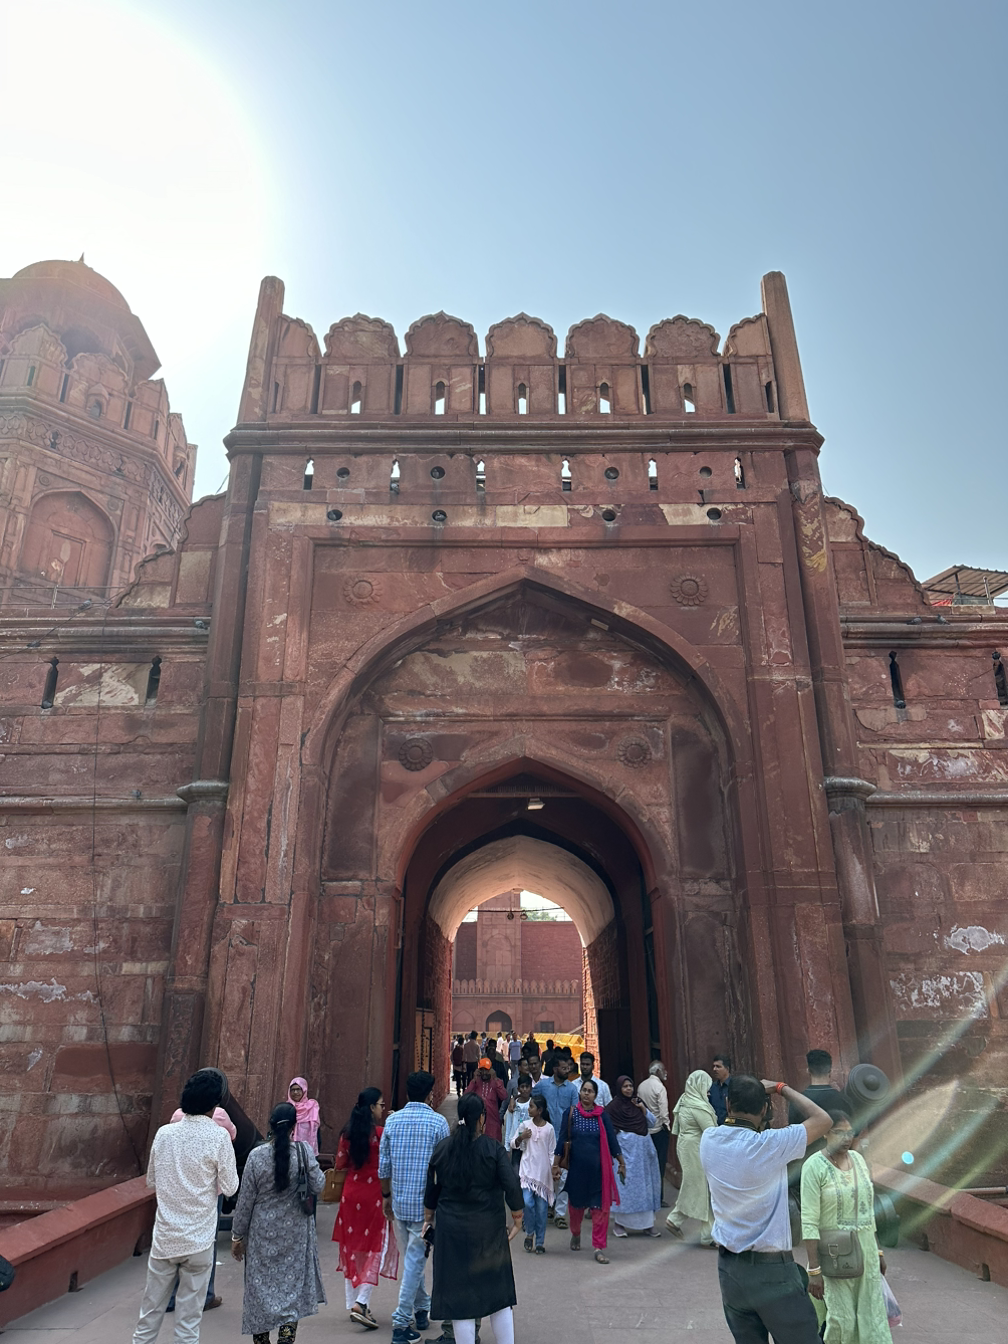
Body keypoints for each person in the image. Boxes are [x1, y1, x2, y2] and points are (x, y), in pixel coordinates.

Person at [700, 1074, 832, 1344]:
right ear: (764, 1109)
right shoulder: (770, 1145)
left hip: (730, 1271)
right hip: (772, 1272)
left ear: (728, 1103)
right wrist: (782, 1088)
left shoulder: (709, 1139)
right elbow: (823, 1120)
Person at [133, 1071, 239, 1344]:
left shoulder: (164, 1134)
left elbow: (152, 1179)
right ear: (214, 1104)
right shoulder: (219, 1137)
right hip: (199, 1240)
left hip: (166, 1238)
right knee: (188, 1326)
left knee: (148, 1319)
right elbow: (230, 1187)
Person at [423, 1093, 524, 1344]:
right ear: (481, 1118)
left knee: (460, 1301)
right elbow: (511, 1184)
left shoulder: (444, 1148)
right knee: (499, 1295)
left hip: (452, 1233)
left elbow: (432, 1188)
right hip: (488, 1232)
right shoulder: (493, 1149)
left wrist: (428, 1218)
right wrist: (517, 1217)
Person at [231, 1101, 326, 1344]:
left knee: (260, 1285)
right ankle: (286, 1334)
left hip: (262, 1233)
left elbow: (245, 1201)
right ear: (294, 1127)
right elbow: (318, 1185)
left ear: (271, 1126)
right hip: (295, 1232)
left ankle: (261, 1338)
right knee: (291, 1284)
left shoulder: (256, 1156)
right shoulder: (303, 1152)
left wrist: (237, 1236)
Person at [801, 1111, 890, 1343]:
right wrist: (814, 1270)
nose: (846, 1138)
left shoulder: (858, 1160)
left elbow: (868, 1210)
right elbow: (809, 1220)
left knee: (871, 1316)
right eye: (839, 1132)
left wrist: (878, 1251)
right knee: (843, 1320)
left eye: (850, 1132)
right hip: (835, 1255)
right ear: (825, 1134)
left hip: (866, 1252)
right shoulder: (814, 1166)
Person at [379, 1070, 450, 1344]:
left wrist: (386, 1196)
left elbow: (384, 1166)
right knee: (414, 1261)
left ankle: (422, 1309)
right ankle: (400, 1324)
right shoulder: (438, 1123)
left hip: (400, 1203)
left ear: (408, 1094)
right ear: (430, 1095)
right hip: (426, 1207)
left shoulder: (392, 1121)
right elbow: (443, 1168)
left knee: (413, 1260)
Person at [331, 1088, 399, 1330]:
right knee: (376, 1247)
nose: (383, 1109)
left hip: (351, 1195)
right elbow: (389, 1163)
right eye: (381, 1105)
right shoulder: (380, 1134)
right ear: (371, 1108)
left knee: (352, 1248)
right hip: (375, 1197)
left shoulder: (347, 1134)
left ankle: (354, 1302)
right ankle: (361, 1301)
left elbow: (340, 1163)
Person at [164, 1103, 237, 1314]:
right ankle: (205, 1295)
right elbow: (233, 1135)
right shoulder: (219, 1115)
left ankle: (171, 1296)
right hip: (209, 1190)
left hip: (180, 1187)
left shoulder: (177, 1115)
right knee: (206, 1242)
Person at [553, 1078, 625, 1263]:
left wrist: (621, 1162)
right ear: (580, 1093)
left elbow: (611, 1140)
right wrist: (555, 1165)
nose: (586, 1093)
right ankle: (575, 1233)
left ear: (595, 1095)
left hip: (599, 1172)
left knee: (599, 1210)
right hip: (577, 1172)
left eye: (590, 1091)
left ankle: (598, 1247)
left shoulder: (602, 1115)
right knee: (575, 1209)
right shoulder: (571, 1114)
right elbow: (562, 1139)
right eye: (584, 1090)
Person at [666, 1070, 717, 1245]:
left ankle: (707, 1235)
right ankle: (675, 1219)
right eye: (706, 1087)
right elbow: (710, 1131)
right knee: (697, 1186)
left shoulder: (685, 1100)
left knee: (700, 1187)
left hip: (687, 1146)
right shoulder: (697, 1106)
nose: (708, 1092)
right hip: (695, 1149)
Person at [607, 1077, 662, 1238]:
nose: (628, 1089)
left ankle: (648, 1225)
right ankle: (620, 1225)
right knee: (626, 1187)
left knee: (645, 1187)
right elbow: (608, 1128)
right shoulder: (613, 1107)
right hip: (625, 1154)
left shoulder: (637, 1103)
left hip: (643, 1155)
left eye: (630, 1086)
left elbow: (652, 1123)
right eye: (625, 1086)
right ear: (619, 1088)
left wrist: (642, 1109)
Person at [537, 1055, 579, 1230]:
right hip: (544, 1137)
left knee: (563, 1176)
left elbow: (575, 1113)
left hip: (564, 1139)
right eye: (563, 1068)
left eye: (568, 1068)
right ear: (554, 1069)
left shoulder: (572, 1090)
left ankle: (560, 1214)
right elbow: (531, 1101)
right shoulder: (542, 1086)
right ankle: (548, 1205)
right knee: (545, 1174)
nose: (567, 1070)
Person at [510, 1090, 554, 1253]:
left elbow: (552, 1152)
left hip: (543, 1175)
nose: (528, 1109)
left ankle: (540, 1242)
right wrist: (521, 1137)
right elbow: (513, 1143)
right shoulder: (525, 1125)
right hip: (527, 1172)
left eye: (531, 1107)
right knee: (528, 1203)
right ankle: (530, 1233)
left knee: (542, 1210)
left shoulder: (549, 1129)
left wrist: (553, 1169)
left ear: (540, 1110)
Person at [637, 1062, 672, 1206]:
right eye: (663, 1070)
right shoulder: (659, 1087)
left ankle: (648, 1195)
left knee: (647, 1165)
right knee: (660, 1164)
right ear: (657, 1071)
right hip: (659, 1130)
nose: (665, 1072)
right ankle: (659, 1196)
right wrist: (667, 1126)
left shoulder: (641, 1086)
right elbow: (663, 1110)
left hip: (646, 1130)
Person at [789, 1050, 850, 1123]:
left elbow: (794, 1128)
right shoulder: (844, 1100)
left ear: (808, 1071)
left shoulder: (797, 1102)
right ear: (830, 1071)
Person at [465, 1058, 508, 1142]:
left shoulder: (496, 1082)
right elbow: (466, 1096)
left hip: (493, 1122)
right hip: (478, 1123)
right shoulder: (476, 1082)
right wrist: (474, 1080)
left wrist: (495, 1079)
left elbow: (504, 1096)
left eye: (486, 1070)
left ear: (491, 1070)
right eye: (482, 1070)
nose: (484, 1073)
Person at [502, 1075, 533, 1171]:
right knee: (516, 1172)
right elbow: (508, 1127)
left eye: (527, 1087)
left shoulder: (533, 1105)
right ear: (518, 1089)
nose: (525, 1090)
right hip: (516, 1144)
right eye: (522, 1087)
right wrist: (507, 1147)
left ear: (531, 1088)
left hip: (529, 1144)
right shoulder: (513, 1106)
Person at [288, 1078, 320, 1154]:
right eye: (293, 1090)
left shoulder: (311, 1107)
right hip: (289, 1151)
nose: (295, 1092)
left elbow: (316, 1132)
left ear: (304, 1090)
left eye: (298, 1089)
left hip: (308, 1151)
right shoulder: (285, 1108)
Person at [709, 1055, 731, 1125]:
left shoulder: (735, 1085)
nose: (714, 1069)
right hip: (715, 1127)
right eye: (714, 1066)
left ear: (727, 1069)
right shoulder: (712, 1087)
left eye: (718, 1067)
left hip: (731, 1126)